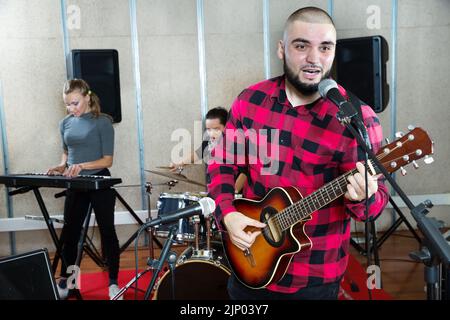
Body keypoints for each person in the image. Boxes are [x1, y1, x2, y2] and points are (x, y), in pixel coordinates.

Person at [207, 7, 389, 300]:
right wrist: (227, 214)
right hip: (248, 261)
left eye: (325, 47)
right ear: (282, 49)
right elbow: (222, 163)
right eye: (301, 45)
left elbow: (373, 206)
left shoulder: (358, 119)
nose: (313, 59)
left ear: (334, 52)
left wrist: (365, 196)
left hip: (314, 278)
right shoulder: (250, 101)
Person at [47, 79, 122, 300]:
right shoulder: (65, 123)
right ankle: (69, 282)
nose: (71, 109)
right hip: (76, 185)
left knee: (107, 232)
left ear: (87, 97)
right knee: (70, 234)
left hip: (99, 182)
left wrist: (81, 166)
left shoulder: (103, 122)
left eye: (75, 103)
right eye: (67, 105)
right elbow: (67, 153)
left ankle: (113, 283)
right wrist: (62, 166)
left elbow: (107, 160)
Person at [170, 106, 246, 193]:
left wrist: (234, 191)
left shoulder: (235, 144)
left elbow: (245, 172)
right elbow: (198, 153)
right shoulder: (209, 141)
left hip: (236, 195)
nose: (211, 133)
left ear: (227, 127)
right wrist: (180, 163)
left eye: (216, 129)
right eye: (209, 129)